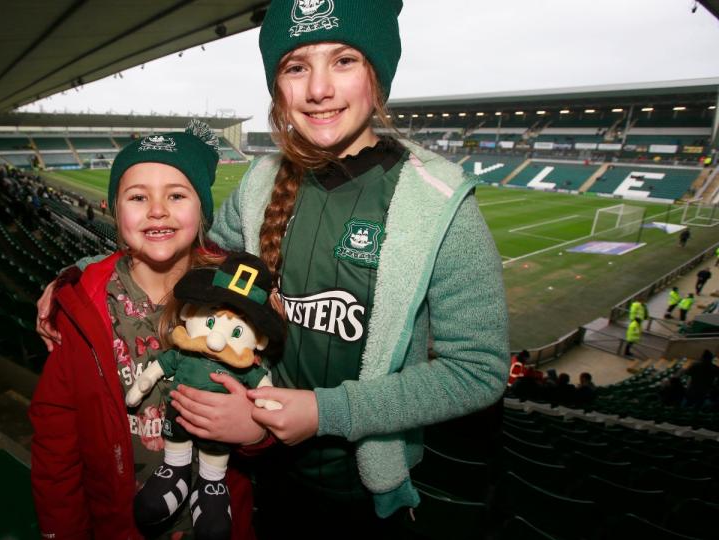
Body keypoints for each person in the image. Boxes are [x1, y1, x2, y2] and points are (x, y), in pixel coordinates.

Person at [163, 1, 508, 535]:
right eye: (296, 67)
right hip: (262, 473)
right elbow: (194, 256)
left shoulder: (439, 203)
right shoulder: (259, 185)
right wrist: (91, 270)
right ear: (278, 88)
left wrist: (325, 413)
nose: (318, 89)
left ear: (379, 75)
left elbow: (478, 371)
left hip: (367, 496)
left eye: (344, 60)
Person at [29, 122, 257, 540]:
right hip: (120, 522)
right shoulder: (83, 307)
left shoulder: (238, 297)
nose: (157, 210)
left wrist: (255, 429)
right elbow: (55, 438)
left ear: (202, 210)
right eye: (138, 197)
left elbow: (270, 401)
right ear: (114, 210)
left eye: (176, 194)